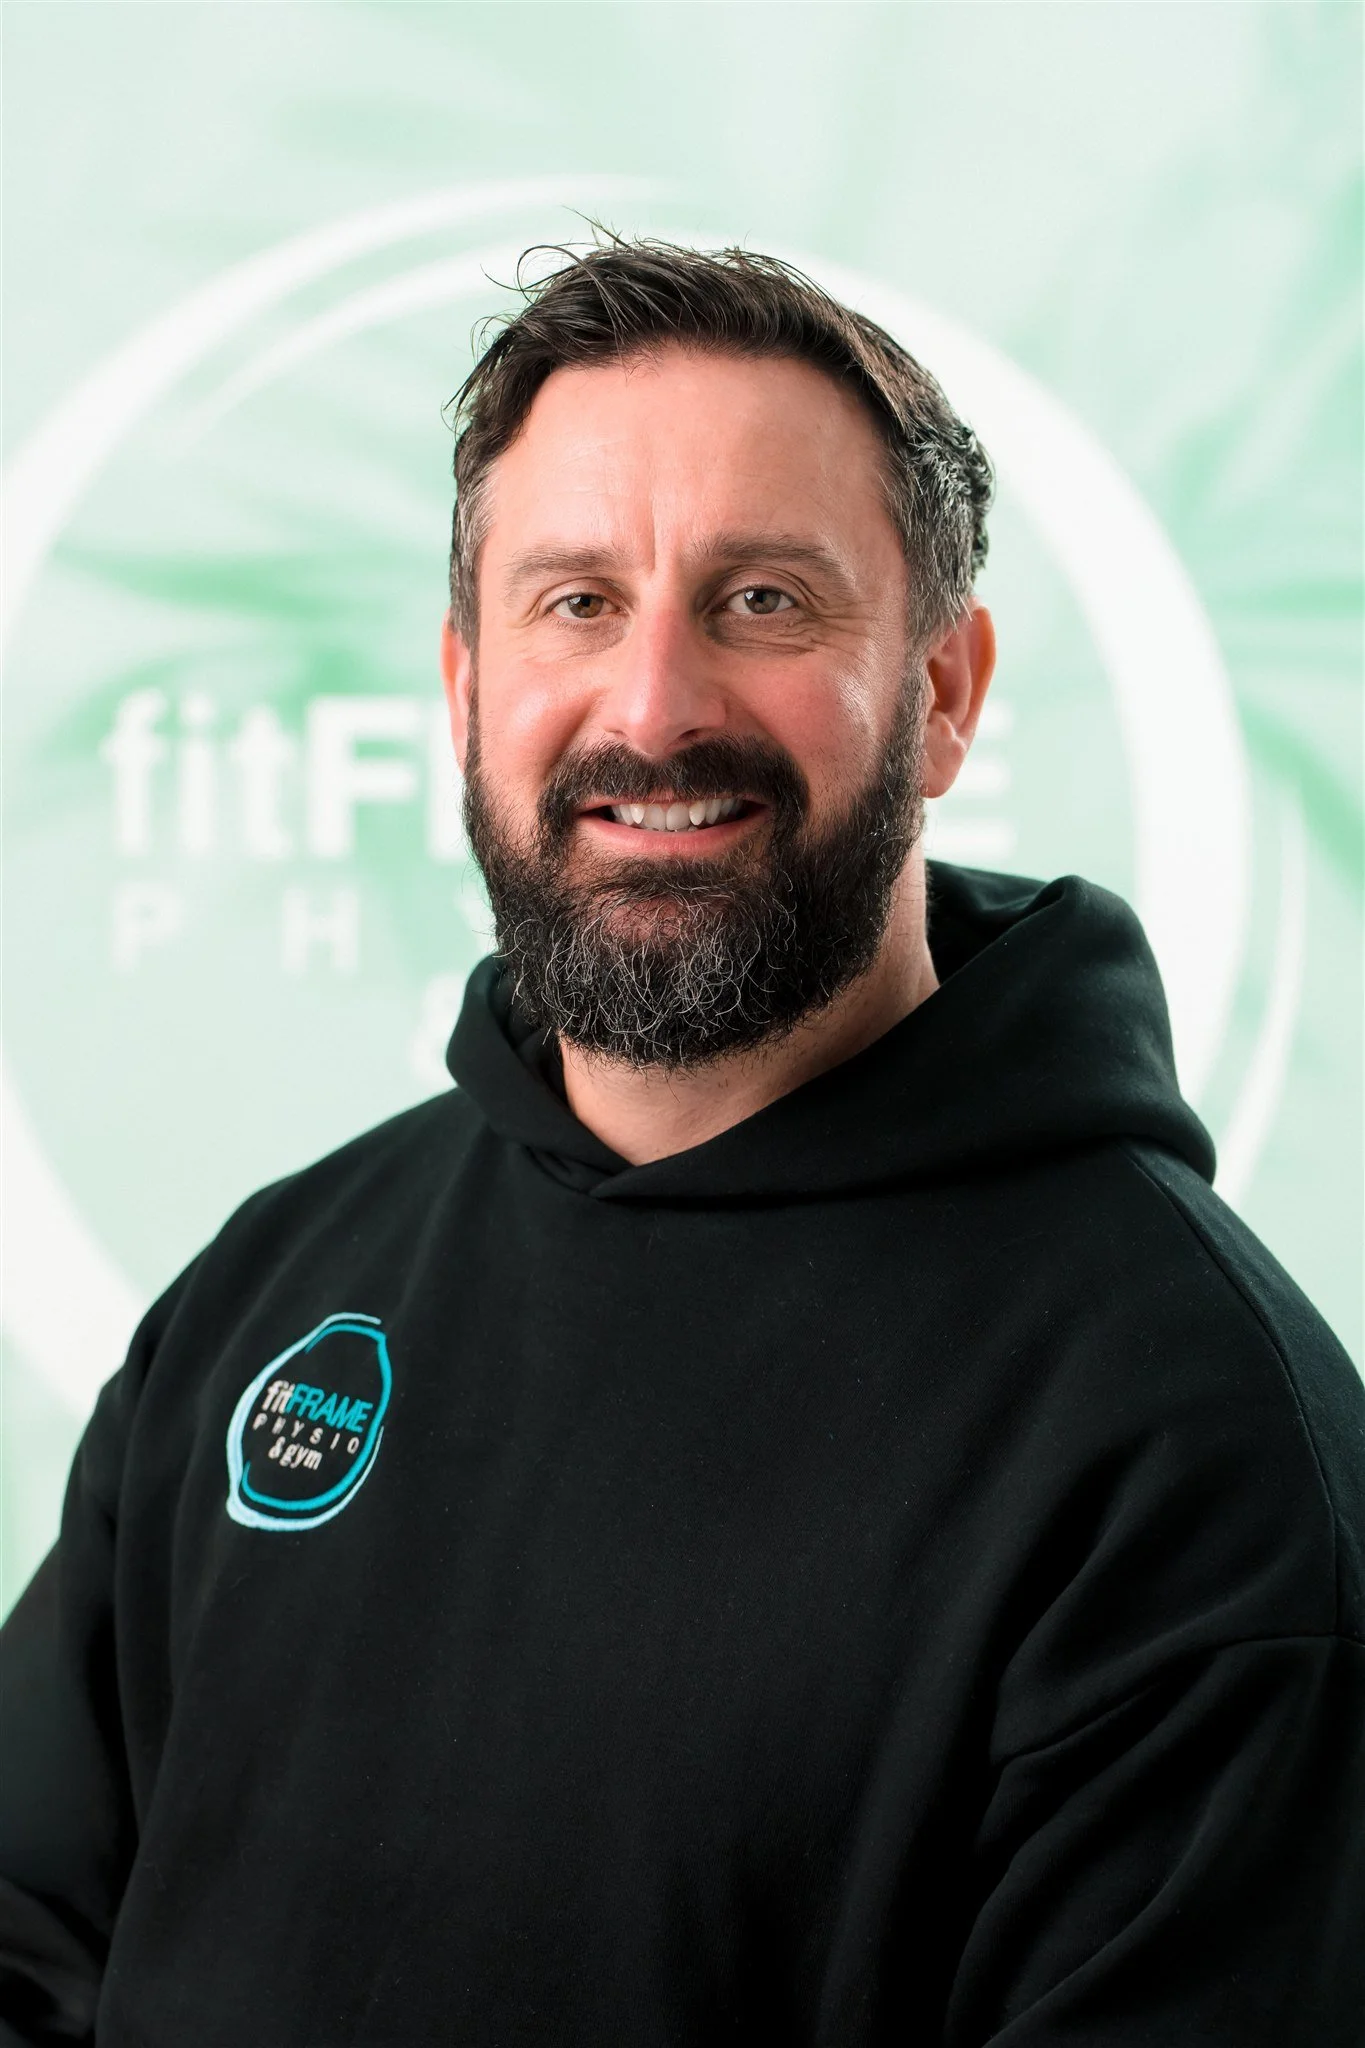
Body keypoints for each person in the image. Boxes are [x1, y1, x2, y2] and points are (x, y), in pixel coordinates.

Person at [1, 237, 1361, 2048]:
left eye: (764, 601)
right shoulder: (273, 1293)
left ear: (947, 693)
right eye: (576, 602)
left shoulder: (1194, 1445)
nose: (652, 708)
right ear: (465, 686)